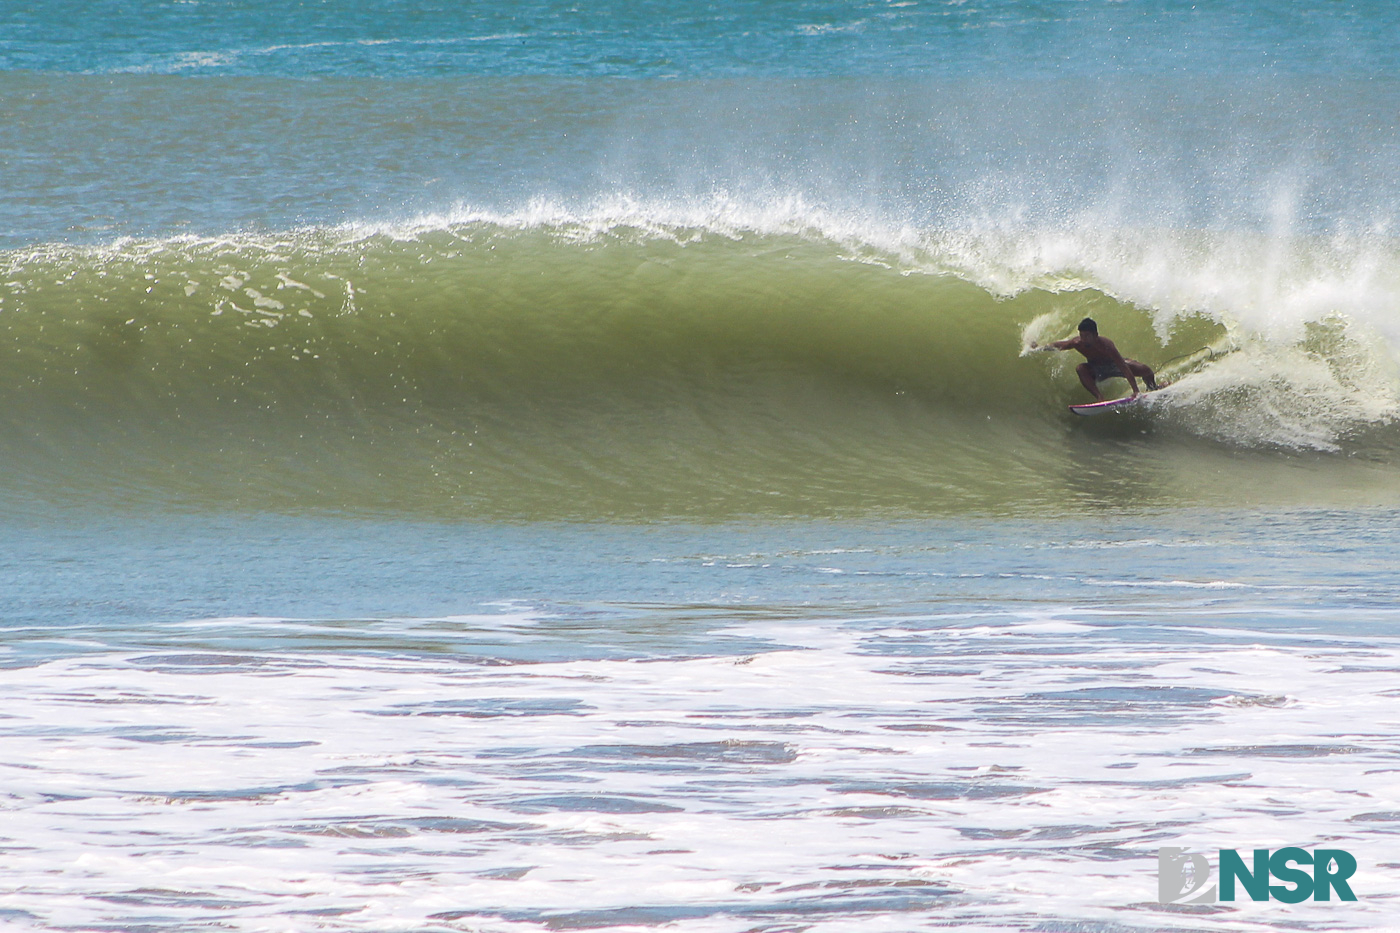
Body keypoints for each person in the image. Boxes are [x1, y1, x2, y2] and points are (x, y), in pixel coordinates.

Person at [1031, 317, 1158, 401]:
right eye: (1081, 335)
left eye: (1087, 336)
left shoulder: (1107, 345)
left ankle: (1153, 388)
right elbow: (1060, 345)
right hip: (1097, 370)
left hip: (1114, 366)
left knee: (1146, 370)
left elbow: (1123, 367)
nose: (1083, 339)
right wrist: (1040, 347)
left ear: (1095, 335)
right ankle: (1099, 397)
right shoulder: (1078, 343)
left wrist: (1136, 391)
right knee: (1080, 368)